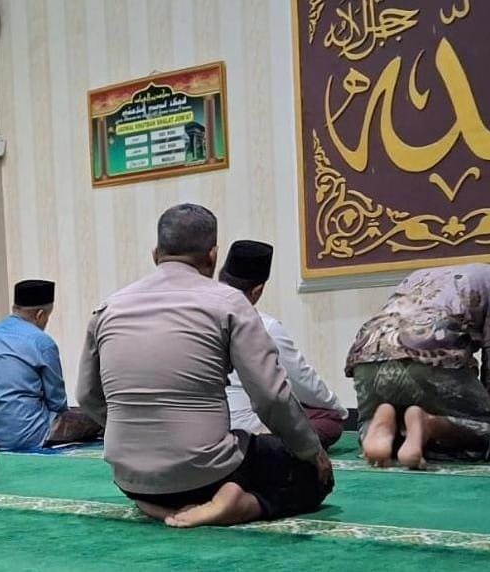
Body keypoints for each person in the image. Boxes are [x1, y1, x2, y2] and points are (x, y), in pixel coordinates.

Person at [77, 203, 332, 528]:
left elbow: (86, 396)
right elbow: (271, 396)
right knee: (311, 476)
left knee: (157, 477)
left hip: (130, 476)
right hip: (207, 473)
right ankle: (239, 504)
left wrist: (135, 431)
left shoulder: (107, 308)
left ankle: (156, 507)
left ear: (155, 254)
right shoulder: (229, 303)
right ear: (212, 256)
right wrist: (311, 450)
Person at [348, 264, 490, 469]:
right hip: (429, 351)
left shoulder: (417, 275)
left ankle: (381, 426)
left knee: (367, 422)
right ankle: (429, 424)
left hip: (367, 353)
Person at [219, 241, 348, 448]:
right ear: (258, 290)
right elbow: (301, 379)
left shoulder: (196, 318)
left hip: (200, 428)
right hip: (247, 430)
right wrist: (338, 409)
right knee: (328, 419)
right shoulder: (263, 325)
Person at [0, 280, 102, 450]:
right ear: (40, 315)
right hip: (27, 434)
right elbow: (57, 402)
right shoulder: (42, 342)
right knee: (98, 416)